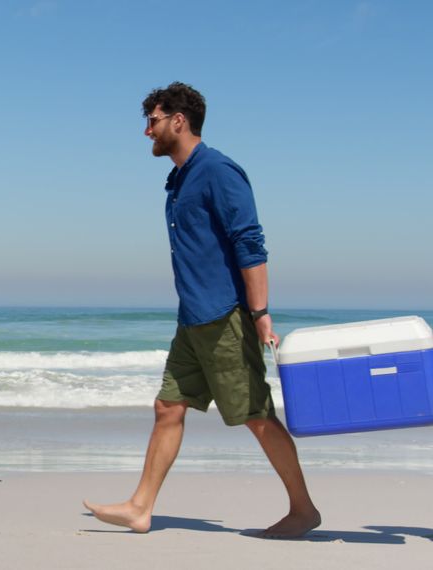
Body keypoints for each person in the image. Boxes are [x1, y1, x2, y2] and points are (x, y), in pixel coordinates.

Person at [83, 83, 320, 539]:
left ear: (178, 120)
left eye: (151, 120)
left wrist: (260, 312)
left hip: (224, 316)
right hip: (192, 319)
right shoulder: (178, 179)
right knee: (168, 406)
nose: (146, 131)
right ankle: (140, 507)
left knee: (255, 414)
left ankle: (303, 509)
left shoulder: (217, 170)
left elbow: (249, 242)